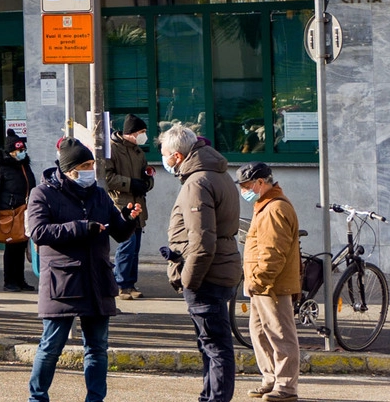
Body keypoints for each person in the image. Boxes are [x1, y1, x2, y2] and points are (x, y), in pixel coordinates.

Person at [26, 137, 140, 402]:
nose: (91, 170)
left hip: (97, 279)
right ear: (69, 169)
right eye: (86, 165)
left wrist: (127, 218)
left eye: (92, 164)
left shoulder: (99, 193)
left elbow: (119, 233)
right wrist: (80, 227)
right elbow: (39, 231)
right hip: (63, 282)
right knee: (51, 346)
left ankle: (95, 399)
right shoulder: (43, 193)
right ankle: (37, 397)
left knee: (97, 348)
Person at [162, 125, 241, 402]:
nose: (164, 161)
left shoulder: (198, 182)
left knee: (215, 345)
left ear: (178, 156)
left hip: (207, 275)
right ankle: (208, 396)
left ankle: (216, 398)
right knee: (210, 344)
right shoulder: (216, 174)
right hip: (219, 268)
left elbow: (202, 241)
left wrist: (188, 280)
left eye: (165, 155)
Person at [238, 162, 301, 402]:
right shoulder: (264, 205)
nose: (244, 191)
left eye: (246, 186)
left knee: (279, 335)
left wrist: (259, 279)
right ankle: (271, 380)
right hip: (261, 284)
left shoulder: (274, 208)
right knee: (260, 333)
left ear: (261, 183)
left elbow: (273, 251)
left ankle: (286, 387)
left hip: (271, 285)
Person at [105, 114, 154, 300]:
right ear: (131, 133)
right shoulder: (112, 149)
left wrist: (147, 182)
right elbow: (107, 178)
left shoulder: (138, 152)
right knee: (127, 245)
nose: (144, 136)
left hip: (138, 205)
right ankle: (121, 284)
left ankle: (131, 283)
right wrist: (130, 183)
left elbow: (146, 175)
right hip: (121, 205)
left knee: (135, 248)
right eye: (141, 132)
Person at [0, 130, 36, 292]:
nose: (22, 153)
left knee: (20, 246)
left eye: (23, 150)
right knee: (11, 247)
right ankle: (9, 281)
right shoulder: (0, 167)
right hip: (9, 212)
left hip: (23, 211)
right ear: (10, 152)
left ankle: (20, 279)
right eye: (18, 151)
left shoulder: (23, 165)